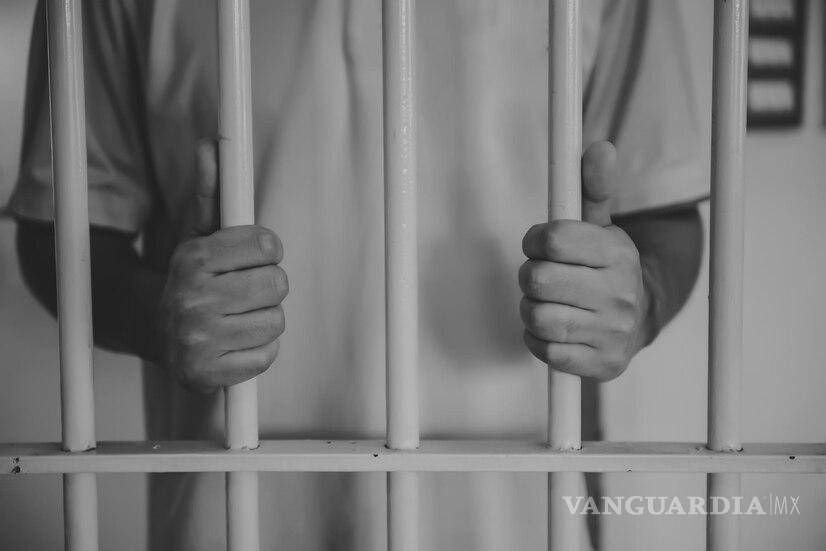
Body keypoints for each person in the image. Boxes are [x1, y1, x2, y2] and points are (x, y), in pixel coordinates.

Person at [10, 0, 705, 549]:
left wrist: (638, 300)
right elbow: (61, 228)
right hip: (232, 516)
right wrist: (154, 315)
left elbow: (661, 211)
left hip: (524, 515)